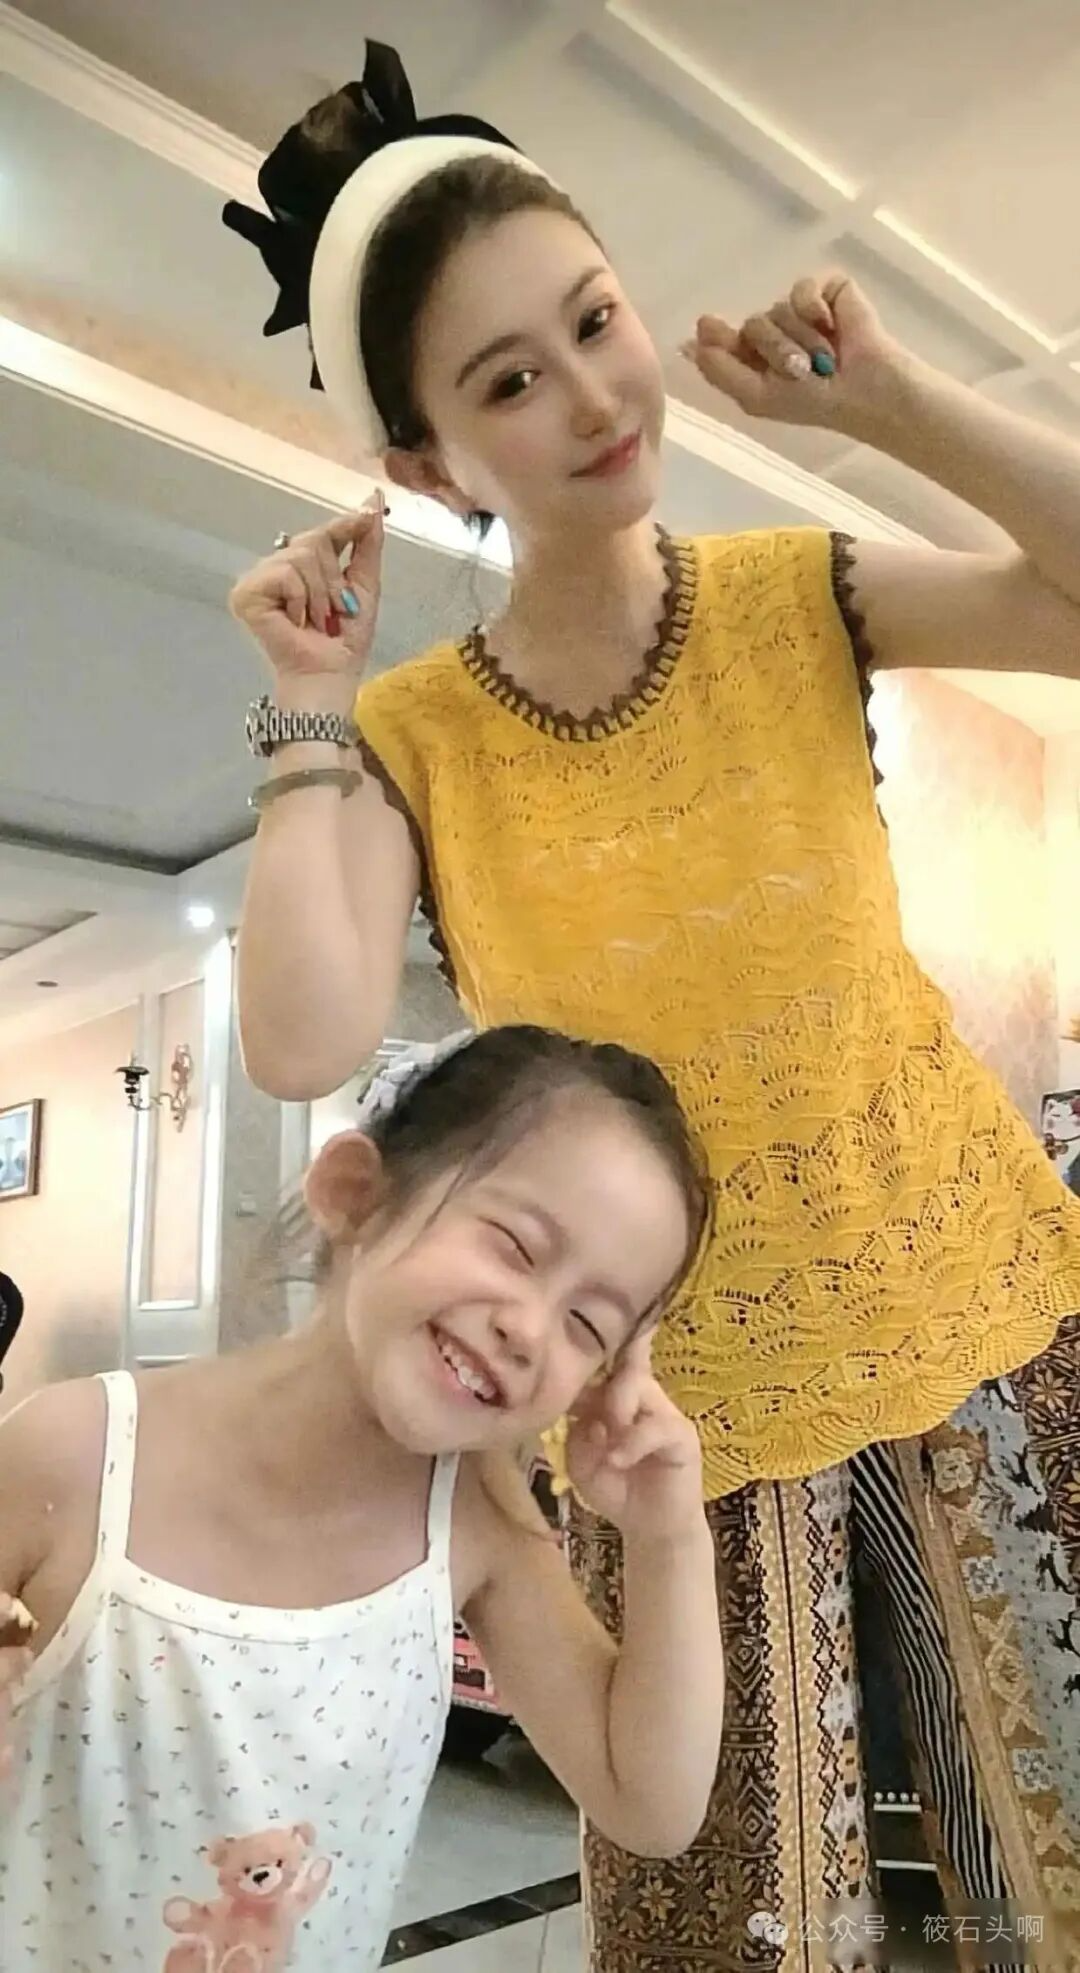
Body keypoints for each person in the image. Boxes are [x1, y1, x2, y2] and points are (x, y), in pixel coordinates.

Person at [225, 42, 1080, 1968]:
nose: (594, 394)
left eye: (594, 322)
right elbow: (299, 1035)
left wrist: (903, 406)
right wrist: (303, 711)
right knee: (742, 1923)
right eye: (508, 380)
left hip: (977, 1313)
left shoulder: (800, 593)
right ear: (426, 464)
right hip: (667, 1417)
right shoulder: (416, 736)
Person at [0, 1025, 721, 1968]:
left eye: (588, 1325)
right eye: (515, 1247)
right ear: (357, 1195)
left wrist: (671, 1537)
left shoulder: (473, 1521)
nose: (530, 1329)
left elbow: (651, 1803)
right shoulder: (70, 1455)